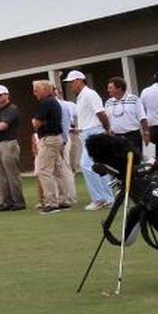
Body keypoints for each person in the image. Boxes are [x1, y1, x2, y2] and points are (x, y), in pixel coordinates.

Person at [64, 70, 114, 210]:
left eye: (71, 82)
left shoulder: (89, 94)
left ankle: (100, 199)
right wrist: (79, 129)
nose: (70, 86)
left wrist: (107, 128)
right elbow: (90, 117)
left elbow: (101, 113)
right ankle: (108, 198)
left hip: (94, 133)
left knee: (86, 165)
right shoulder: (81, 96)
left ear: (79, 80)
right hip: (87, 132)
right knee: (97, 165)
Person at [31, 79, 74, 214]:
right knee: (58, 169)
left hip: (49, 139)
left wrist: (35, 121)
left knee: (43, 170)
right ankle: (64, 199)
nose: (34, 93)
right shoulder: (53, 102)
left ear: (45, 90)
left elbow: (36, 123)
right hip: (57, 138)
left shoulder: (46, 102)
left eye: (36, 90)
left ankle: (51, 202)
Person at [0, 85, 26, 211]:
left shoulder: (12, 109)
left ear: (6, 95)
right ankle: (6, 202)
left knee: (12, 174)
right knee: (0, 175)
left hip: (9, 143)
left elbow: (3, 126)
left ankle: (18, 201)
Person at [103, 77, 149, 154]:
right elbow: (106, 119)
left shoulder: (134, 99)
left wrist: (146, 133)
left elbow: (142, 118)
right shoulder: (108, 102)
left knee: (134, 159)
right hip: (115, 137)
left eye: (110, 88)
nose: (108, 90)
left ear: (119, 88)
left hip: (132, 136)